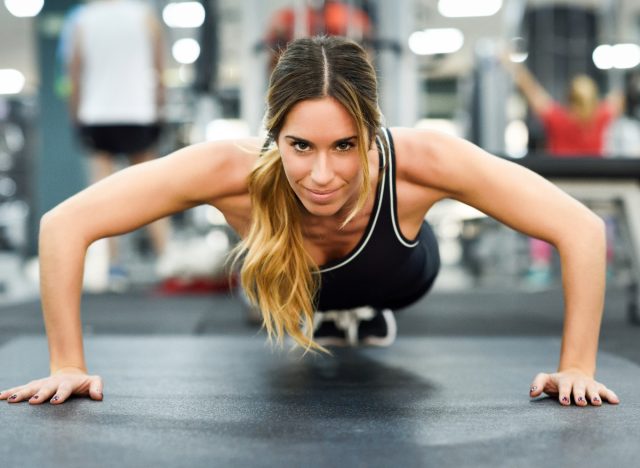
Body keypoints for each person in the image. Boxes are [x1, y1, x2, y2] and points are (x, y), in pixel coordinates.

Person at [0, 36, 618, 408]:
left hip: (397, 276)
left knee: (371, 279)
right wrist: (67, 366)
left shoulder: (426, 160)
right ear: (274, 135)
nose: (322, 173)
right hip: (287, 281)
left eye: (345, 146)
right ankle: (325, 313)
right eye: (300, 147)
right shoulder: (228, 168)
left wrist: (577, 367)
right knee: (267, 275)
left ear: (372, 132)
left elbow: (581, 230)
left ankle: (353, 316)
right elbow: (64, 225)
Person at [67, 0, 170, 281]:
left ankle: (114, 267)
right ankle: (166, 260)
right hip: (137, 112)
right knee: (152, 190)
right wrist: (160, 105)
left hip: (97, 114)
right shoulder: (144, 16)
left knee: (102, 194)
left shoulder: (83, 19)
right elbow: (159, 66)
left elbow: (75, 71)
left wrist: (75, 113)